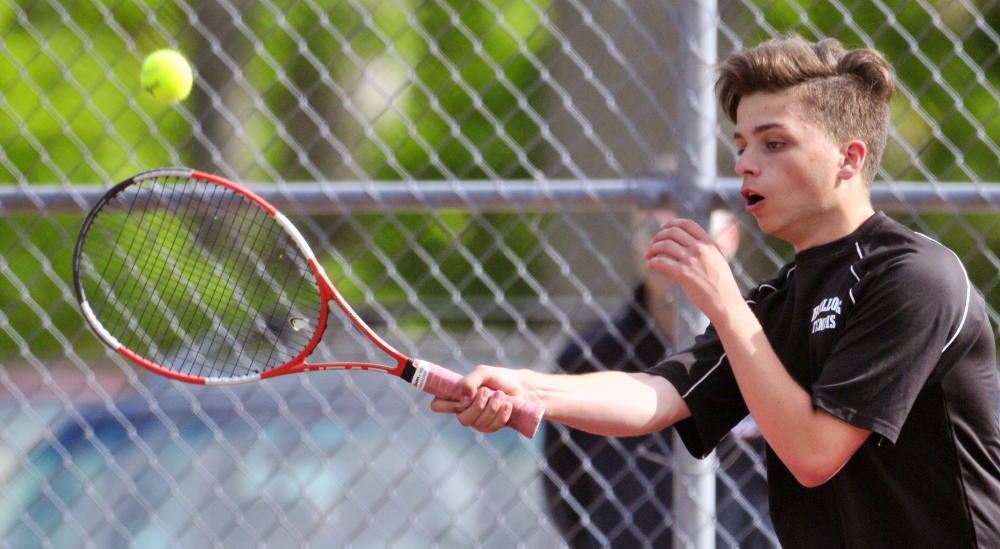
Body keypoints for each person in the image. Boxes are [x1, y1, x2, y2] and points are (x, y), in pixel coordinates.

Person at [433, 35, 1000, 547]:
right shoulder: (779, 302)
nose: (744, 165)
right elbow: (654, 395)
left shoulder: (915, 278)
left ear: (849, 159)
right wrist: (526, 389)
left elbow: (814, 454)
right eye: (742, 144)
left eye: (773, 144)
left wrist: (724, 302)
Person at [545, 210, 772, 548]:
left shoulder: (771, 347)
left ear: (731, 235)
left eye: (695, 230)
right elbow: (564, 487)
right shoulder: (590, 358)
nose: (673, 248)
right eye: (653, 231)